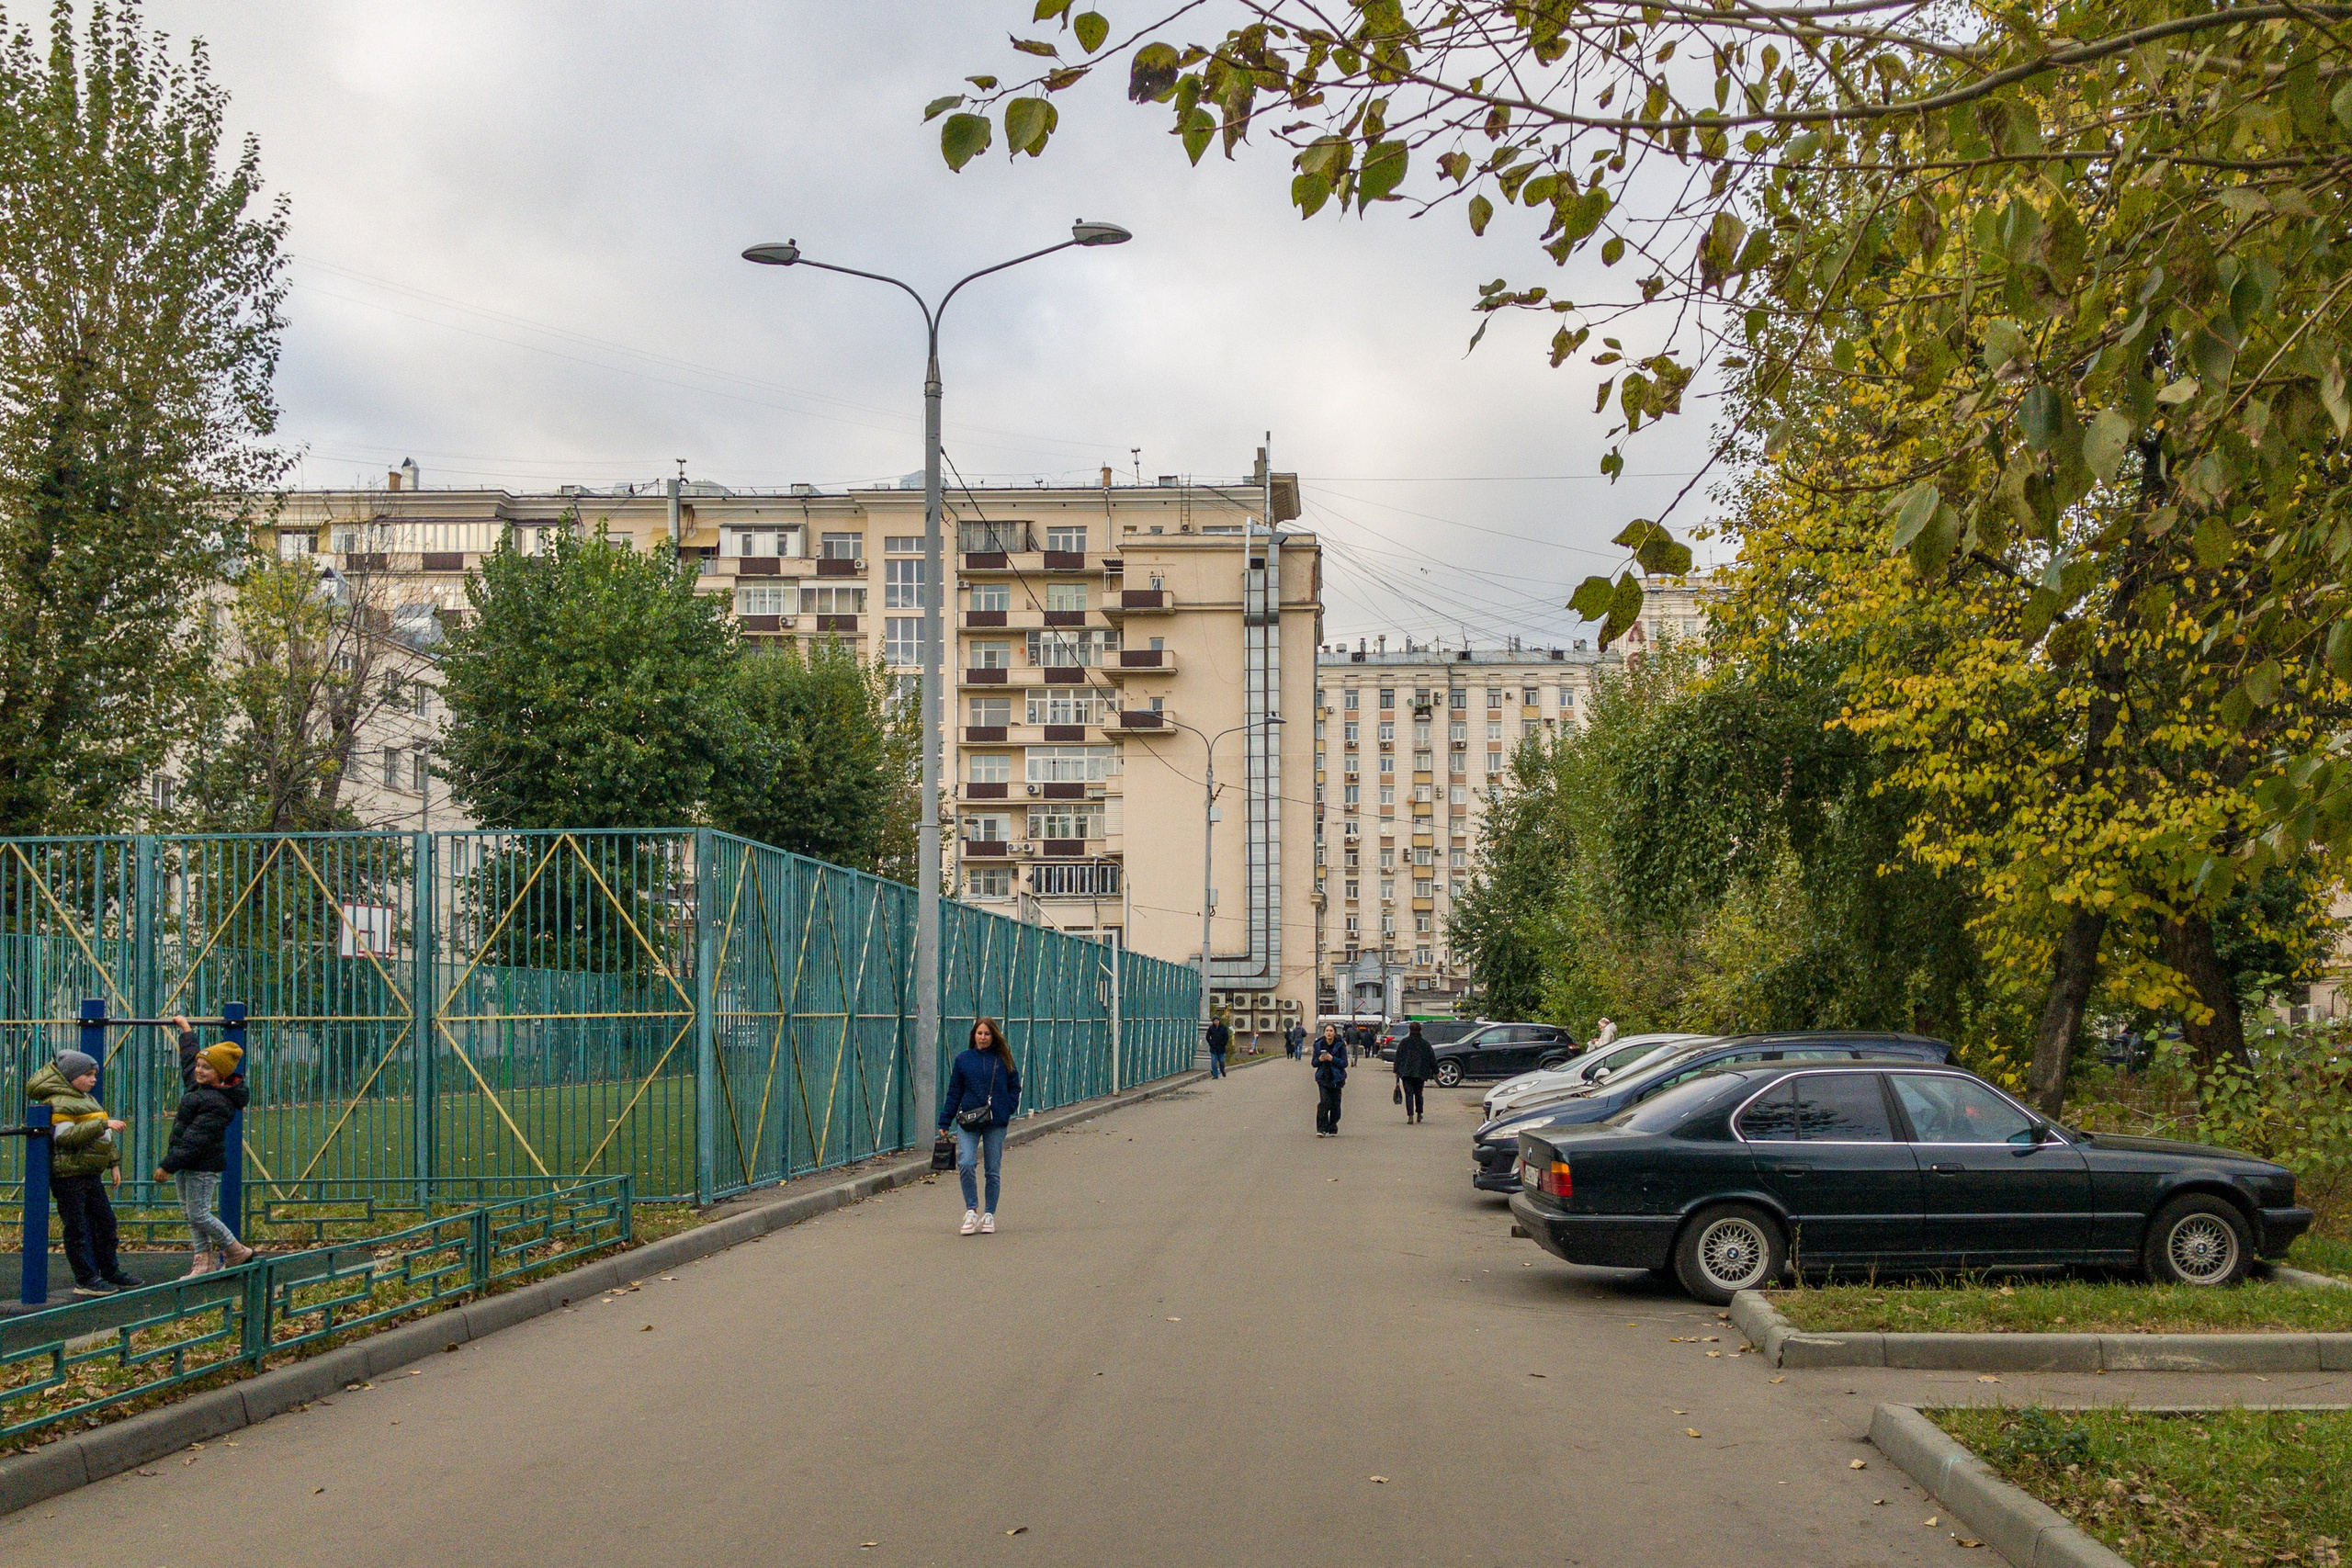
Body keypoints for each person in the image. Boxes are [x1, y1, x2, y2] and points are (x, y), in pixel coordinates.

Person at [26, 1049, 140, 1296]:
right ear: (71, 1076)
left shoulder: (85, 1098)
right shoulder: (60, 1101)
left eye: (95, 1075)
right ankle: (86, 1278)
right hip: (69, 1174)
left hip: (89, 1172)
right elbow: (65, 1137)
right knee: (78, 1228)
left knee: (105, 1223)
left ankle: (108, 1270)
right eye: (88, 1074)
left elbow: (102, 1138)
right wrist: (102, 1123)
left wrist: (113, 1163)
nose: (93, 1079)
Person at [158, 1020, 253, 1278]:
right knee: (191, 1213)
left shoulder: (218, 1102)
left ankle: (235, 1250)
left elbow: (195, 1139)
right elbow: (188, 1060)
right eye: (200, 1065)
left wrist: (168, 1164)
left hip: (202, 1165)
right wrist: (186, 1031)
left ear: (220, 1074)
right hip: (187, 1161)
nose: (198, 1070)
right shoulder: (199, 1085)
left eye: (206, 1067)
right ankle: (203, 1262)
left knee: (199, 1214)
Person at [937, 1017, 1021, 1236]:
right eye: (979, 1033)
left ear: (994, 1036)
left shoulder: (1004, 1059)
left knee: (992, 1169)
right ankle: (971, 1210)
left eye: (987, 1034)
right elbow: (954, 1092)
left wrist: (1009, 1107)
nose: (983, 1038)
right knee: (965, 1162)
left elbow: (1015, 1086)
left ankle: (989, 1214)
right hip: (969, 1120)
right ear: (973, 1035)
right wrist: (945, 1120)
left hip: (996, 1121)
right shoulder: (963, 1060)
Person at [1391, 1021, 1437, 1125]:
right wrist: (1436, 1071)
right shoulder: (1425, 1043)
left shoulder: (1404, 1042)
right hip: (1421, 1072)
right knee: (1419, 1094)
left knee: (1409, 1094)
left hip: (1406, 1072)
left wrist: (1396, 1070)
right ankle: (1419, 1113)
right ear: (1420, 1030)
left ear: (1410, 1030)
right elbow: (1431, 1058)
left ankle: (1410, 1116)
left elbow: (1398, 1057)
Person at [1312, 1023, 1349, 1137]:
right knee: (1324, 1102)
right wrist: (1320, 1059)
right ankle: (1321, 1129)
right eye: (1327, 1030)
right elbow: (1314, 1063)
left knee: (1335, 1106)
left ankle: (1332, 1126)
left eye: (1331, 1031)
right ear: (1324, 1033)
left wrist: (1332, 1059)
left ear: (1334, 1033)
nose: (1329, 1033)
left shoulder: (1340, 1046)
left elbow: (1344, 1063)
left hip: (1336, 1079)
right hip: (1323, 1078)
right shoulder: (1318, 1045)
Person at [1204, 1013, 1230, 1078]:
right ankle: (1215, 1075)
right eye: (1215, 1021)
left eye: (1217, 1020)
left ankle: (1222, 1070)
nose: (1216, 1022)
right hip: (1214, 1048)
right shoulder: (1211, 1028)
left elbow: (1226, 1037)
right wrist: (1211, 1043)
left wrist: (1223, 1043)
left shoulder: (1223, 1028)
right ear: (1213, 1021)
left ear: (1219, 1021)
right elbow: (1207, 1037)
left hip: (1221, 1048)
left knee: (1222, 1061)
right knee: (1213, 1062)